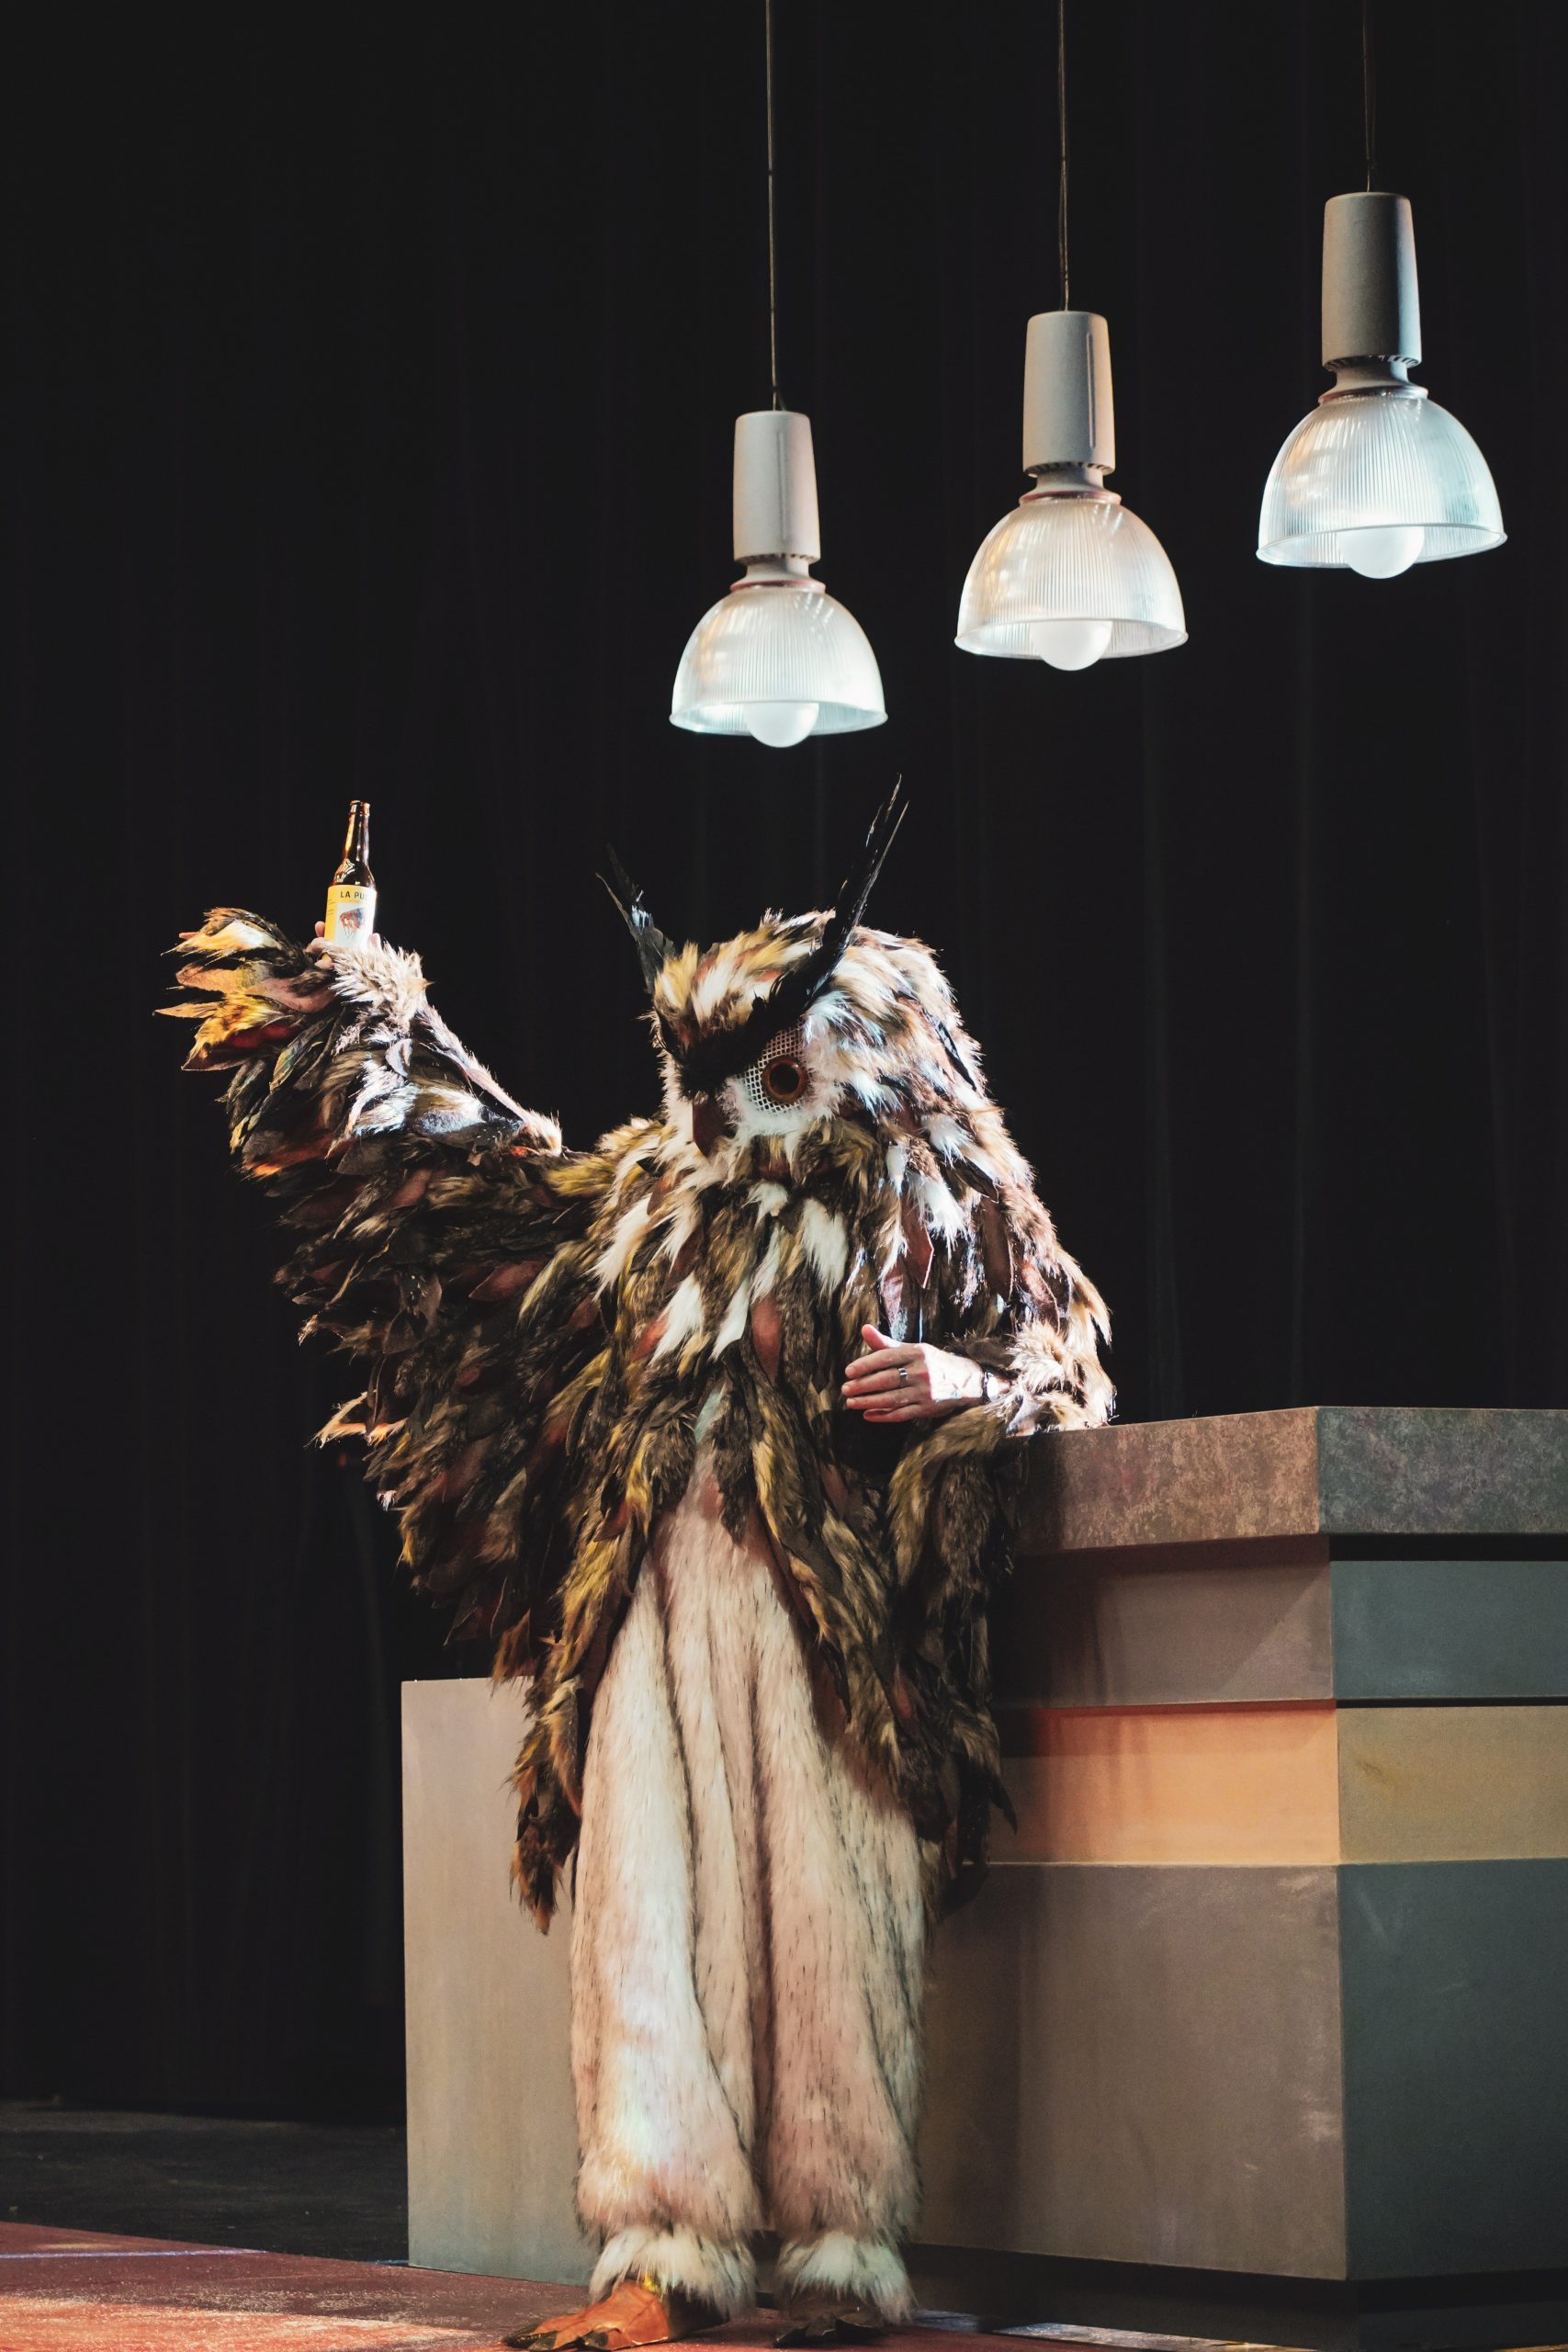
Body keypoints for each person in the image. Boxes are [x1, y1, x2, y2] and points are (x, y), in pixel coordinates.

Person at [164, 790, 1111, 2349]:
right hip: (653, 1605)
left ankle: (839, 2250)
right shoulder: (652, 1206)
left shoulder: (943, 1194)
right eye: (706, 1088)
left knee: (829, 1923)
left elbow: (1065, 1367)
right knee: (646, 1917)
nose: (730, 1123)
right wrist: (366, 1001)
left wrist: (969, 1386)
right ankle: (663, 2252)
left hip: (830, 1622)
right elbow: (476, 1185)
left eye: (769, 1081)